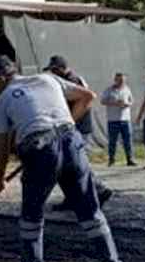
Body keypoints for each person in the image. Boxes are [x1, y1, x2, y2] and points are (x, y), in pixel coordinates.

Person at [0, 55, 127, 262]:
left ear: (0, 78)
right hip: (72, 143)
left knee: (32, 215)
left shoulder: (3, 99)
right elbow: (87, 96)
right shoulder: (48, 79)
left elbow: (1, 145)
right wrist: (67, 125)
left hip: (39, 148)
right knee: (91, 212)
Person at [45, 56, 113, 211]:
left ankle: (99, 190)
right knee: (66, 165)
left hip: (77, 126)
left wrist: (70, 121)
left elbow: (86, 101)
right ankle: (72, 198)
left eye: (55, 70)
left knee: (75, 163)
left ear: (61, 68)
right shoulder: (71, 79)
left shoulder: (72, 80)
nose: (53, 73)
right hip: (73, 125)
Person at [100, 72, 136, 167]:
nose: (121, 82)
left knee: (127, 140)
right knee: (112, 141)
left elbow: (132, 101)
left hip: (125, 119)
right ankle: (112, 160)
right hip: (113, 119)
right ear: (115, 80)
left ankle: (130, 159)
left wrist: (127, 104)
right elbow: (102, 101)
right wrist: (115, 103)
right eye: (119, 80)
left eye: (123, 80)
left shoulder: (127, 89)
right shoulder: (109, 90)